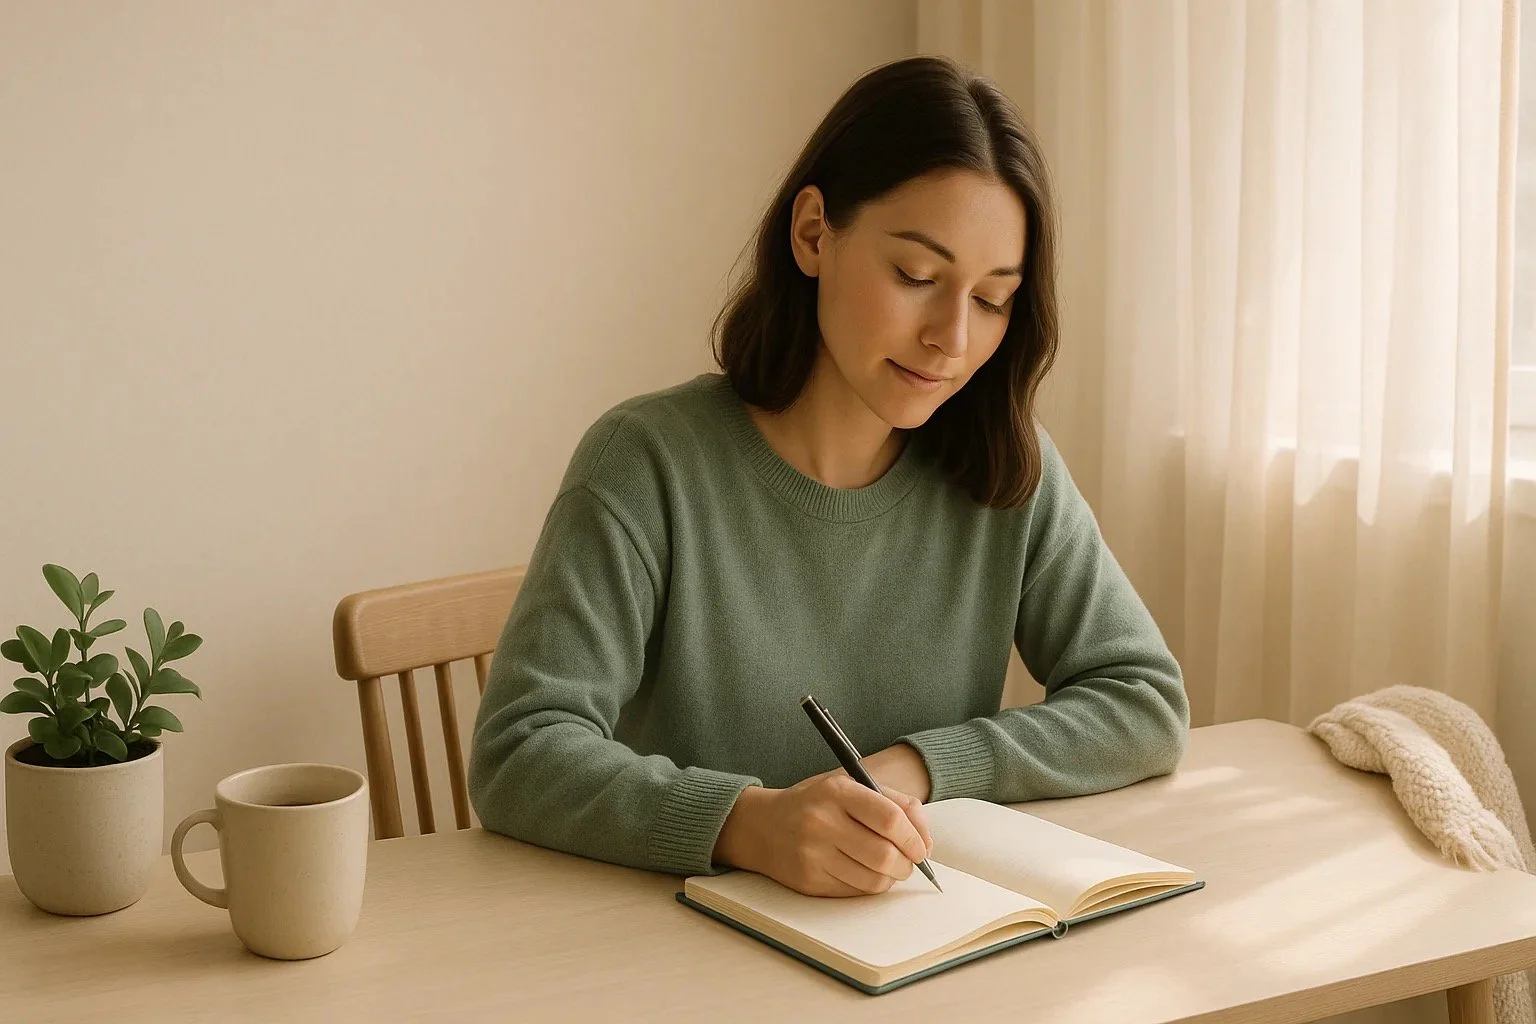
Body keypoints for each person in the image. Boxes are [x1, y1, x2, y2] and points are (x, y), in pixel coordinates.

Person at [468, 55, 1188, 899]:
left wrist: (921, 765)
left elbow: (1142, 701)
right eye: (917, 277)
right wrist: (748, 823)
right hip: (680, 952)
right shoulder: (647, 462)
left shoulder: (1005, 463)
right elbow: (520, 751)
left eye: (992, 299)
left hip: (916, 947)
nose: (951, 337)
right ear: (814, 233)